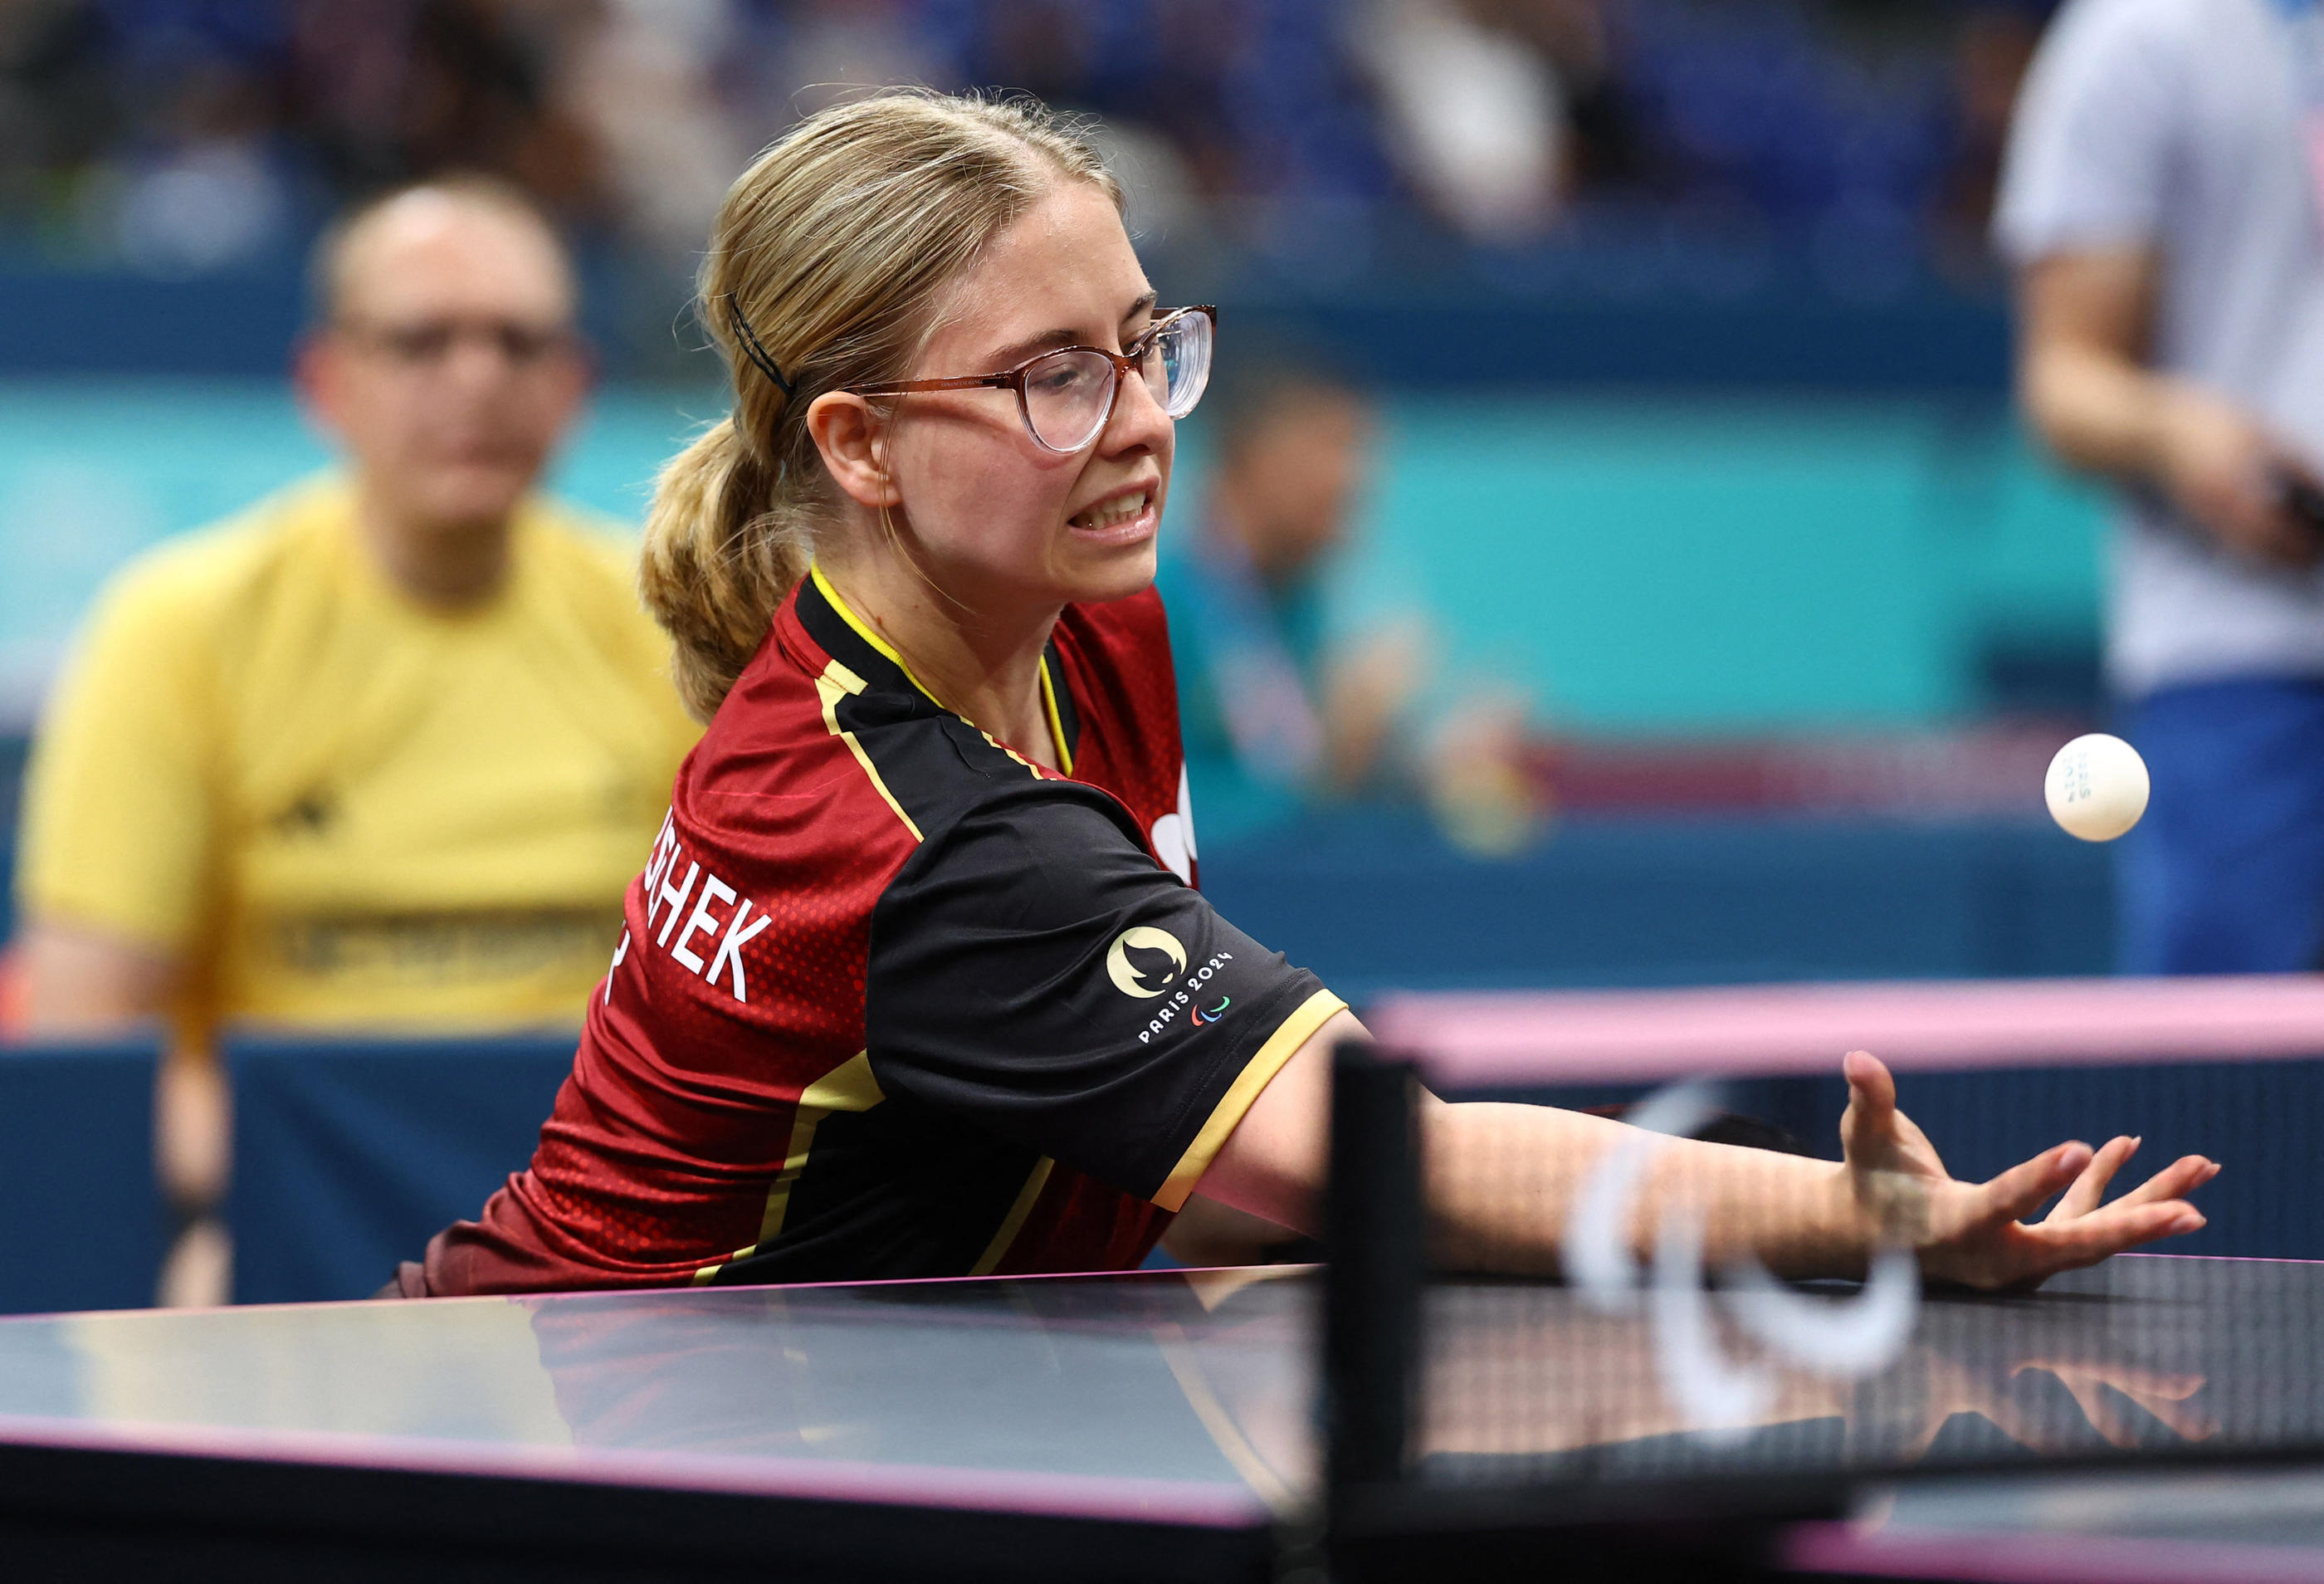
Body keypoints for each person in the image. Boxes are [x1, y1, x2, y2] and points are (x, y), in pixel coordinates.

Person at [407, 90, 2212, 1300]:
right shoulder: (923, 840)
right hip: (558, 1439)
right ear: (861, 446)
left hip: (786, 1401)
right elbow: (1376, 1158)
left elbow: (1168, 1157)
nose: (1128, 424)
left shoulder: (1082, 616)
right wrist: (1849, 1221)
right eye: (1047, 376)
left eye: (1140, 346)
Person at [13, 176, 701, 1301]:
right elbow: (90, 1048)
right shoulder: (179, 628)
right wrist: (333, 1172)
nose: (476, 378)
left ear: (574, 384)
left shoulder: (671, 622)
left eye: (518, 341)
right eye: (422, 341)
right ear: (325, 382)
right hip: (283, 1224)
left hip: (606, 1228)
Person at [1997, 0, 2324, 973]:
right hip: (2244, 666)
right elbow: (2064, 379)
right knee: (2234, 1100)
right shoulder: (2140, 39)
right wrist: (2183, 433)